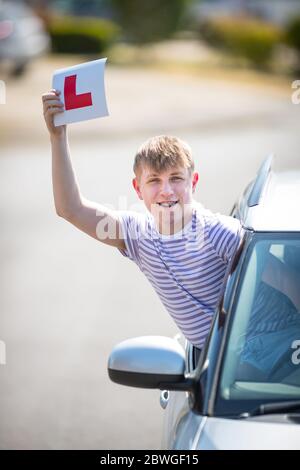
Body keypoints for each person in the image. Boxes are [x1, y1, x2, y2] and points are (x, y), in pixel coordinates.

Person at [42, 89, 244, 350]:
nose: (167, 190)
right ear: (138, 189)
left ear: (193, 181)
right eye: (154, 181)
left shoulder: (220, 233)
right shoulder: (137, 235)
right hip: (215, 365)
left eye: (176, 178)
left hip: (253, 361)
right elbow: (70, 208)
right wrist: (57, 136)